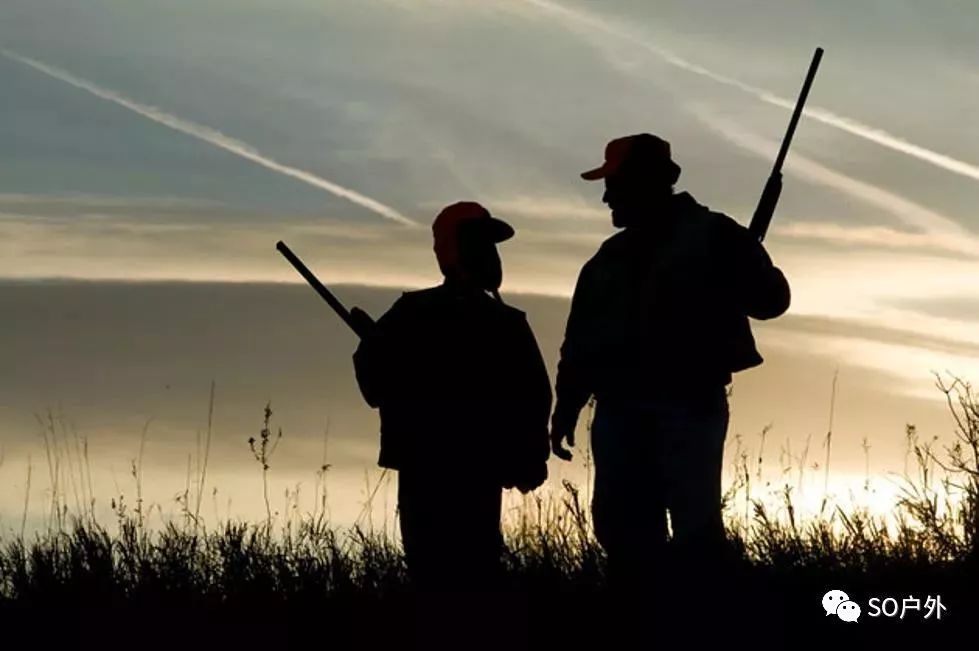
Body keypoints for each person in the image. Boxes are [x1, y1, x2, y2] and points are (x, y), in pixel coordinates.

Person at [549, 134, 791, 603]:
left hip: (687, 405)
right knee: (623, 534)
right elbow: (580, 342)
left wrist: (744, 267)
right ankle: (644, 623)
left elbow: (772, 301)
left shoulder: (716, 236)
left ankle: (703, 624)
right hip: (619, 412)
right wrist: (567, 408)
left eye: (614, 184)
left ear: (645, 182)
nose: (606, 196)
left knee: (694, 529)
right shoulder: (606, 260)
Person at [352, 201, 552, 594]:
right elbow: (376, 387)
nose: (490, 254)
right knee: (440, 575)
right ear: (452, 248)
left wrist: (529, 455)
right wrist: (377, 352)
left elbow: (533, 397)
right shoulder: (418, 314)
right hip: (431, 468)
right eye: (481, 242)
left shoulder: (503, 322)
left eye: (490, 245)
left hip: (472, 470)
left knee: (468, 576)